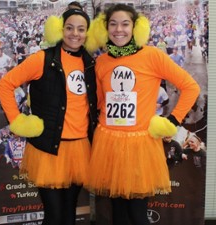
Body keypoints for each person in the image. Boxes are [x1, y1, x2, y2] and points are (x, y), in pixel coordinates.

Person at [85, 4, 200, 225]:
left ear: (135, 27)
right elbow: (101, 101)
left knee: (138, 215)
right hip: (108, 143)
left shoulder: (152, 56)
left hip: (140, 145)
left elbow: (190, 87)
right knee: (117, 213)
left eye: (125, 24)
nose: (119, 29)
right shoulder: (102, 61)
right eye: (113, 24)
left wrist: (172, 121)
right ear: (105, 28)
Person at [0, 9, 97, 225]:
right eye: (69, 27)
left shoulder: (90, 64)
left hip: (79, 149)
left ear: (87, 34)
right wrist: (17, 121)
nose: (74, 34)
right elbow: (5, 84)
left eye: (81, 29)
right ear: (60, 29)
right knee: (54, 215)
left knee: (70, 212)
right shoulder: (42, 59)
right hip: (48, 149)